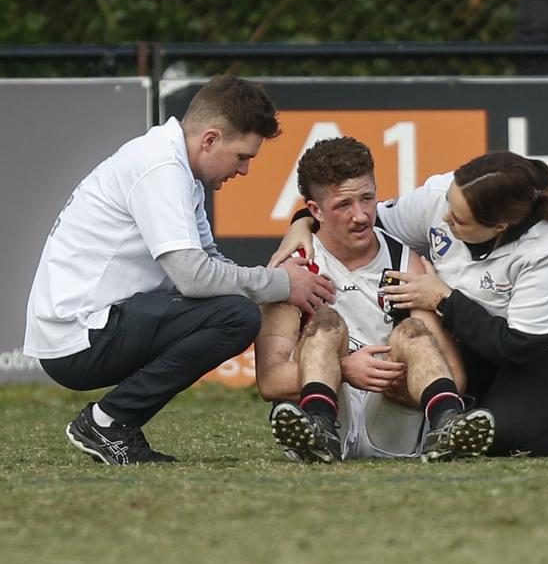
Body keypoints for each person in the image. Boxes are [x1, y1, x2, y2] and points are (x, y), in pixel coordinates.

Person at [23, 74, 334, 466]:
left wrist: (273, 281)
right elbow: (192, 276)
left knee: (235, 308)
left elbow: (208, 262)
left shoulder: (177, 168)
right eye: (243, 156)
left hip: (88, 327)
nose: (245, 171)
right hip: (77, 337)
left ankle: (110, 422)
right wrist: (279, 283)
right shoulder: (159, 167)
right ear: (210, 139)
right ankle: (108, 422)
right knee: (235, 316)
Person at [273, 150, 548, 458]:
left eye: (459, 219)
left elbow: (517, 345)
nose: (445, 218)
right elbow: (367, 221)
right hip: (488, 327)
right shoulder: (443, 196)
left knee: (499, 438)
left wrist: (441, 298)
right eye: (449, 205)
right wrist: (303, 221)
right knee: (455, 417)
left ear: (499, 225)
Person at [255, 136, 495, 464]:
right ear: (314, 210)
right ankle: (318, 429)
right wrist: (345, 371)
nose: (362, 216)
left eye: (367, 198)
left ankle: (448, 426)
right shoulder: (295, 268)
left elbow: (455, 374)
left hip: (392, 418)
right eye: (343, 205)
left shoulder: (402, 259)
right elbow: (270, 381)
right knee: (326, 324)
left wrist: (398, 379)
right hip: (324, 408)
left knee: (411, 331)